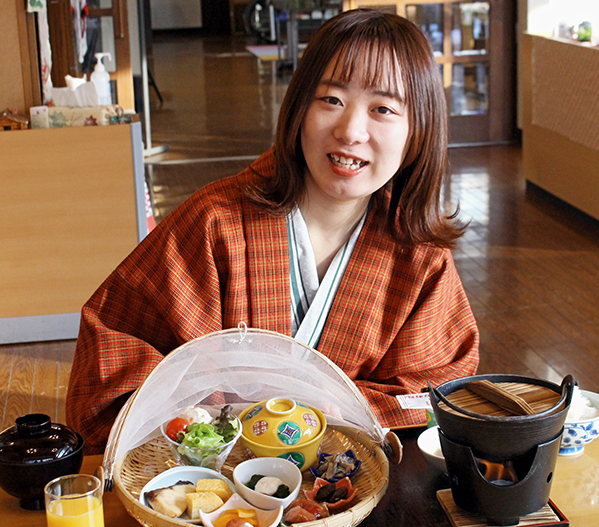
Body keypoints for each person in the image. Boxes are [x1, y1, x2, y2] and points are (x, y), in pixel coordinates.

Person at [66, 9, 479, 453]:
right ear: (299, 107)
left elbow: (437, 396)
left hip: (352, 482)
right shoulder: (215, 224)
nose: (350, 131)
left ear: (418, 132)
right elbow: (111, 352)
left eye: (383, 109)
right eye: (331, 100)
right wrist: (225, 420)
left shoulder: (420, 258)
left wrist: (338, 409)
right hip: (212, 492)